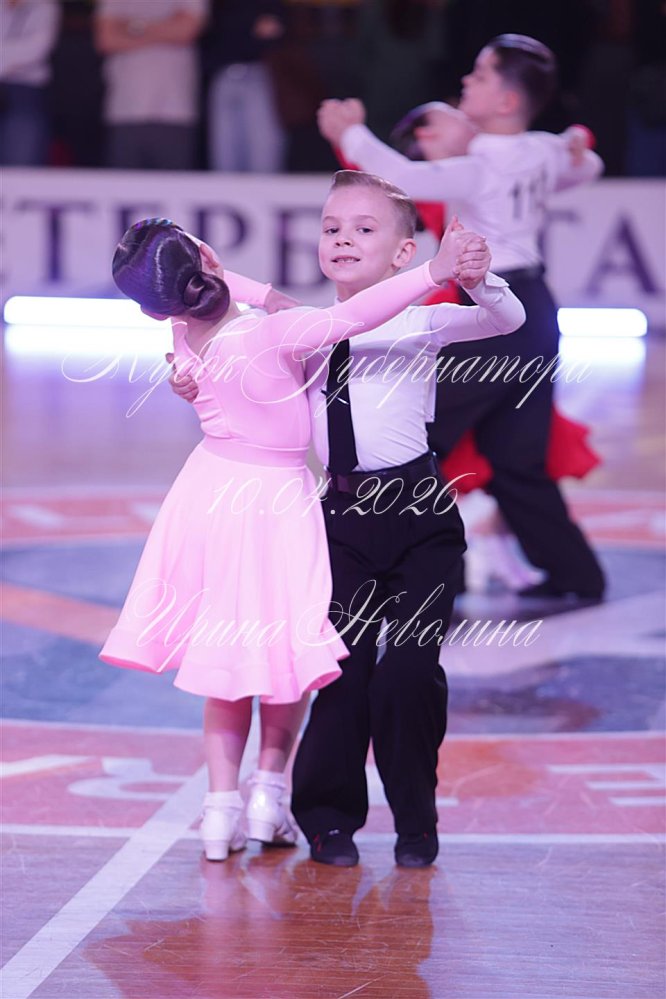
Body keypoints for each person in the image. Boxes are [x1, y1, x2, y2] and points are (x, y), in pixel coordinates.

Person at [100, 210, 487, 862]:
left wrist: (214, 294)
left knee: (226, 656)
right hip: (274, 502)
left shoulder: (181, 334)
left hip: (210, 494)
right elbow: (353, 317)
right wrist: (433, 272)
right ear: (208, 259)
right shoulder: (271, 333)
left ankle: (222, 810)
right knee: (283, 655)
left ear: (151, 307)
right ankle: (268, 793)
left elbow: (255, 307)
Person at [318, 34, 607, 601]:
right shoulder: (543, 150)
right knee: (516, 457)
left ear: (506, 100)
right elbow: (588, 166)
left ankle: (421, 585)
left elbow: (401, 176)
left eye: (480, 75)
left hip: (492, 309)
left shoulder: (482, 164)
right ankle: (579, 577)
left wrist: (348, 131)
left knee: (419, 439)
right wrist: (577, 142)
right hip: (534, 310)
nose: (466, 82)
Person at [94, 0, 207, 170]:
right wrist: (167, 26)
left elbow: (185, 32)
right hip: (125, 109)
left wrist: (129, 26)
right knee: (122, 184)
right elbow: (106, 39)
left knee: (174, 185)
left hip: (175, 110)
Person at [203, 0, 286, 173]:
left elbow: (276, 28)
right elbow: (205, 31)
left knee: (263, 157)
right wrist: (250, 28)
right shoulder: (219, 6)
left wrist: (241, 30)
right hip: (222, 74)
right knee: (224, 158)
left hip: (258, 73)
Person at [0, 0, 60, 166]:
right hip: (23, 86)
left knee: (22, 162)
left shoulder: (44, 7)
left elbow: (36, 50)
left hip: (25, 92)